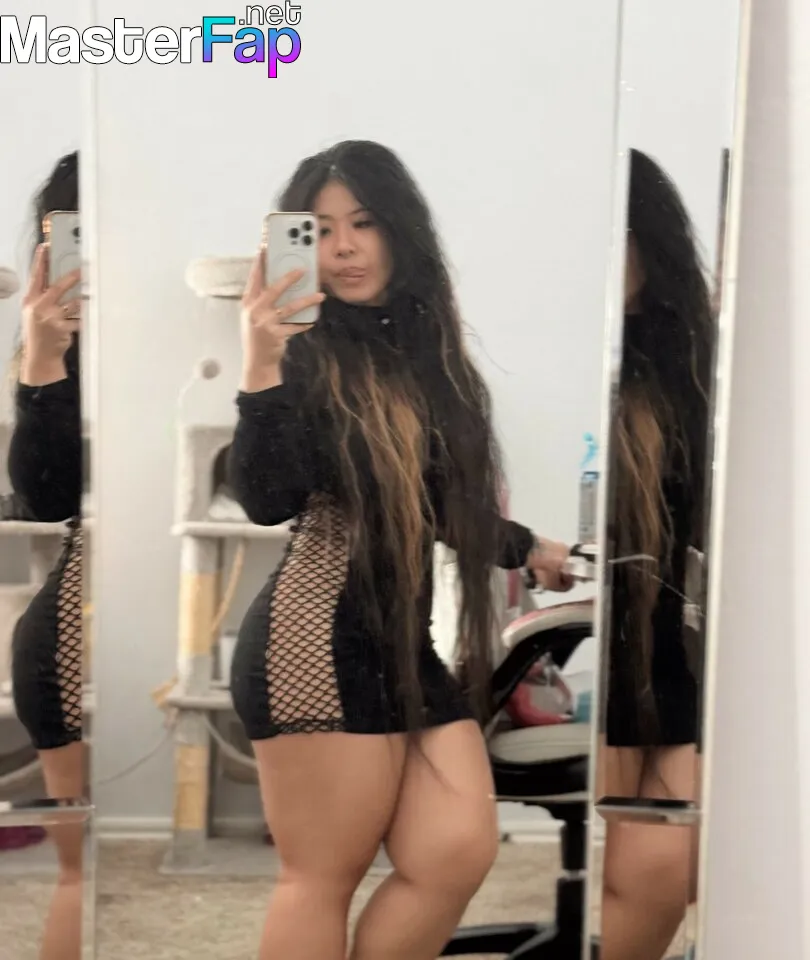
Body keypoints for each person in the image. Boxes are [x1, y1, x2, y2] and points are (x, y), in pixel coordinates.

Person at [227, 139, 573, 960]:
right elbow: (268, 500)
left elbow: (438, 504)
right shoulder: (299, 350)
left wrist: (532, 547)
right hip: (313, 642)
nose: (344, 248)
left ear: (399, 230)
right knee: (322, 875)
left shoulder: (427, 355)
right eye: (321, 230)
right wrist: (260, 361)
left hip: (401, 645)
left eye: (364, 223)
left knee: (455, 851)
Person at [599, 148, 714, 960]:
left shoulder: (700, 363)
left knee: (670, 864)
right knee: (638, 862)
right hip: (594, 629)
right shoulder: (564, 354)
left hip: (682, 630)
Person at [8, 150, 85, 960]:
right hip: (71, 632)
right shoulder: (57, 348)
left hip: (172, 620)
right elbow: (46, 500)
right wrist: (41, 359)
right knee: (83, 874)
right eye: (69, 235)